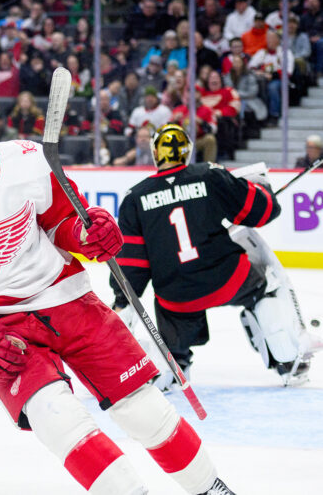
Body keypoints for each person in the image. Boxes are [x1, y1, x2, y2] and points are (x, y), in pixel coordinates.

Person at [0, 86, 235, 495]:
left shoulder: (25, 160)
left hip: (69, 301)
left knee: (143, 409)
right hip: (1, 330)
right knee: (59, 420)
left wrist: (88, 234)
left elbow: (61, 221)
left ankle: (210, 488)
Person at [111, 123, 314, 391]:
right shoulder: (209, 174)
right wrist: (262, 188)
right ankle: (286, 358)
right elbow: (262, 211)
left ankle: (175, 363)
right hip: (228, 279)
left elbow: (132, 264)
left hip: (178, 298)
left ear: (155, 152)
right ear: (186, 151)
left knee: (169, 305)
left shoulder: (134, 198)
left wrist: (121, 300)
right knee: (264, 287)